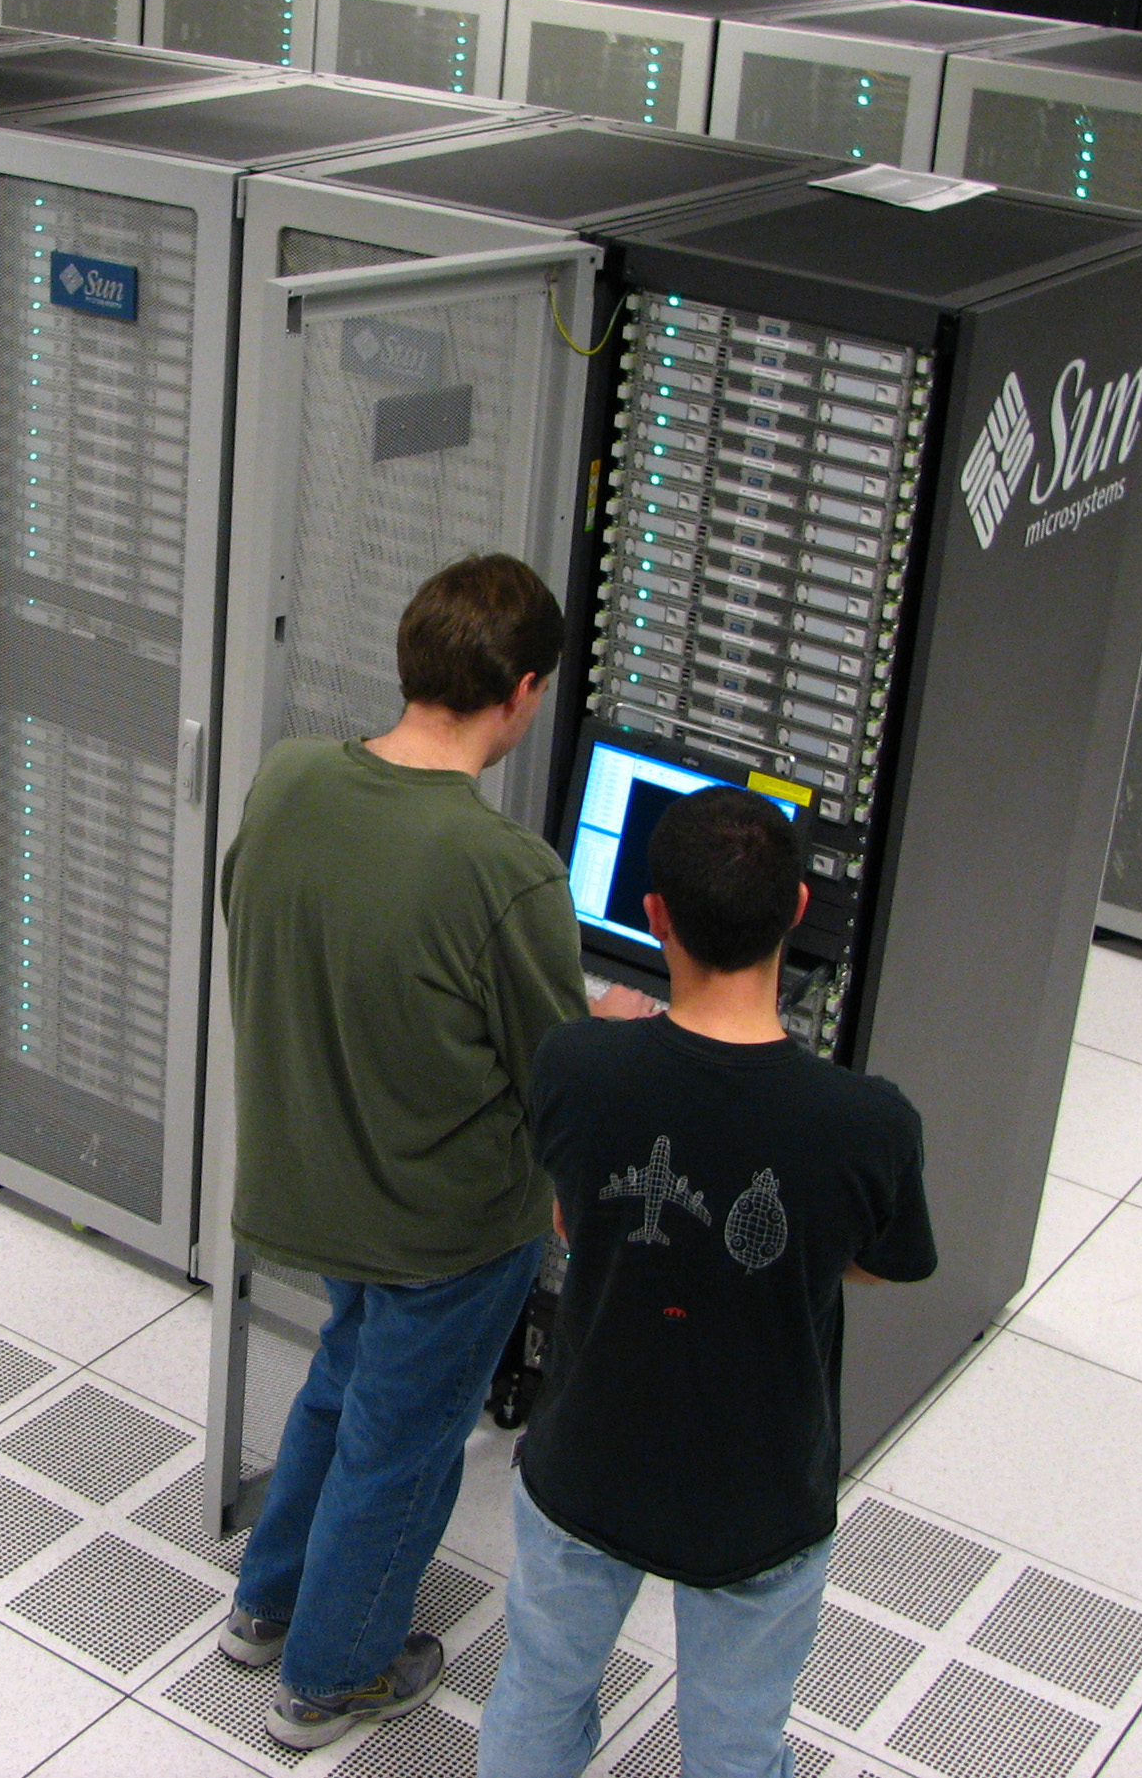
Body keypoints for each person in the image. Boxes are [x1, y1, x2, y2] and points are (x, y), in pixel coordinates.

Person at [217, 554, 643, 1751]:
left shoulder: (290, 782)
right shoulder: (504, 872)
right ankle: (334, 1676)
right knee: (401, 1441)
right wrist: (601, 1023)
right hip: (443, 1224)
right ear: (518, 691)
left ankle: (268, 1602)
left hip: (313, 1183)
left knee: (340, 1386)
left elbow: (268, 930)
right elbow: (552, 1073)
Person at [477, 784, 936, 1778]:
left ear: (655, 917)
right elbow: (878, 1264)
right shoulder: (868, 1123)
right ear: (799, 915)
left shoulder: (577, 1065)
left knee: (540, 1692)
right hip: (758, 1488)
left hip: (589, 1459)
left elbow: (571, 1212)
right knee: (734, 1742)